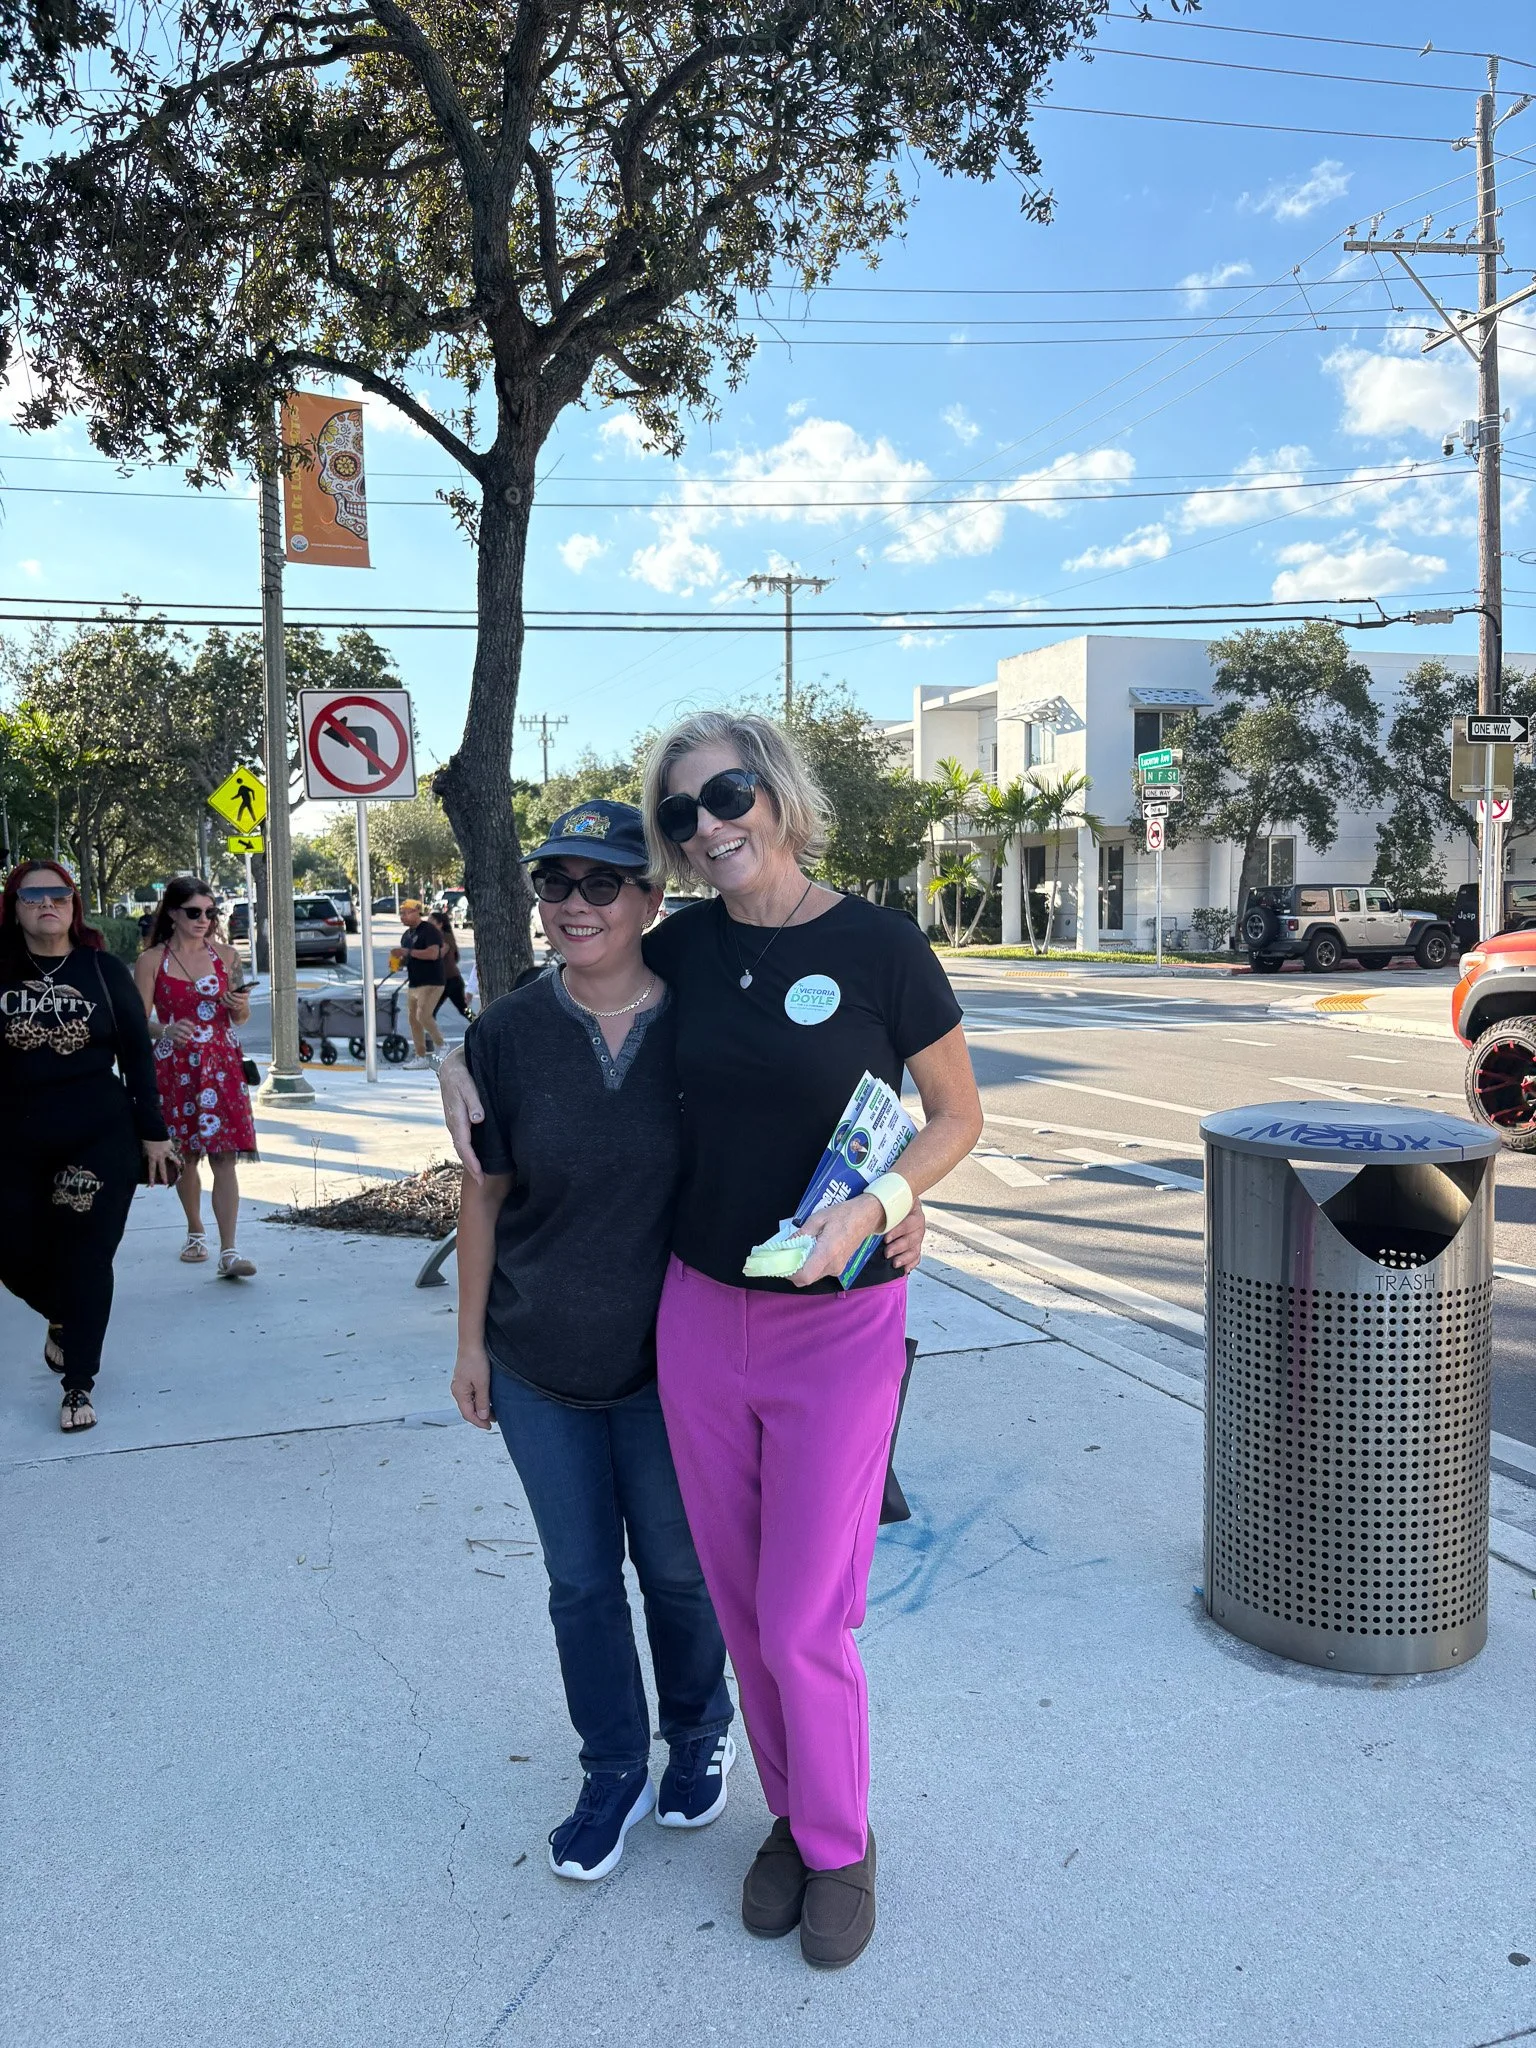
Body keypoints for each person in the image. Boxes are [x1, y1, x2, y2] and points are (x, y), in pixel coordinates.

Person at [441, 718, 979, 1969]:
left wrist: (889, 1204)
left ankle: (841, 1843)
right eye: (680, 814)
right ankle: (787, 1819)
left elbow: (954, 1115)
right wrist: (447, 1067)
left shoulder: (881, 946)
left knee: (803, 1614)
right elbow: (570, 984)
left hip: (835, 1321)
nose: (707, 824)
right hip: (696, 1312)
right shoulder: (681, 944)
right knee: (739, 1604)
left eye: (725, 793)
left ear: (779, 792)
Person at [447, 801, 737, 1884]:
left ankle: (698, 1731)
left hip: (677, 1367)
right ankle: (612, 1763)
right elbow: (484, 1198)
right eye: (556, 882)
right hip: (538, 1361)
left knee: (677, 1571)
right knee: (579, 1580)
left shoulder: (707, 1021)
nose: (575, 903)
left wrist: (896, 1193)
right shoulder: (508, 1034)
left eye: (602, 883)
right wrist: (469, 1342)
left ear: (651, 901)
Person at [0, 859, 177, 1429]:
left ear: (74, 906)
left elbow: (137, 1056)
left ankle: (78, 1383)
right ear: (15, 907)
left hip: (98, 1136)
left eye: (59, 894)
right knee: (10, 1246)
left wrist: (154, 1134)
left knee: (85, 1253)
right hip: (14, 1137)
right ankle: (61, 1313)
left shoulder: (101, 969)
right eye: (33, 896)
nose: (46, 904)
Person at [134, 875, 259, 1279]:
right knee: (186, 1155)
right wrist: (165, 1030)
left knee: (225, 1157)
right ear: (172, 913)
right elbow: (137, 1019)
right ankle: (194, 1230)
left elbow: (240, 1018)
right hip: (176, 1067)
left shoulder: (226, 955)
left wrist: (237, 1004)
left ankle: (230, 1250)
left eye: (210, 912)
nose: (204, 919)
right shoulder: (153, 960)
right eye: (194, 912)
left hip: (221, 1064)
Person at [398, 899, 446, 1067]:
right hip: (414, 982)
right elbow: (408, 958)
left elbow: (433, 954)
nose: (402, 916)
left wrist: (409, 952)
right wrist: (399, 960)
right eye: (401, 913)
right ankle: (420, 1057)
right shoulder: (406, 936)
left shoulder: (429, 930)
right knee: (413, 1020)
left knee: (423, 1015)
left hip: (432, 980)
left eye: (406, 912)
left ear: (417, 912)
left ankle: (441, 1044)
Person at [430, 909, 472, 1020]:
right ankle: (431, 1036)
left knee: (464, 1010)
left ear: (440, 924)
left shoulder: (444, 937)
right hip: (443, 981)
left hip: (452, 981)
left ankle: (478, 1024)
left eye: (431, 923)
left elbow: (439, 954)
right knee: (429, 1011)